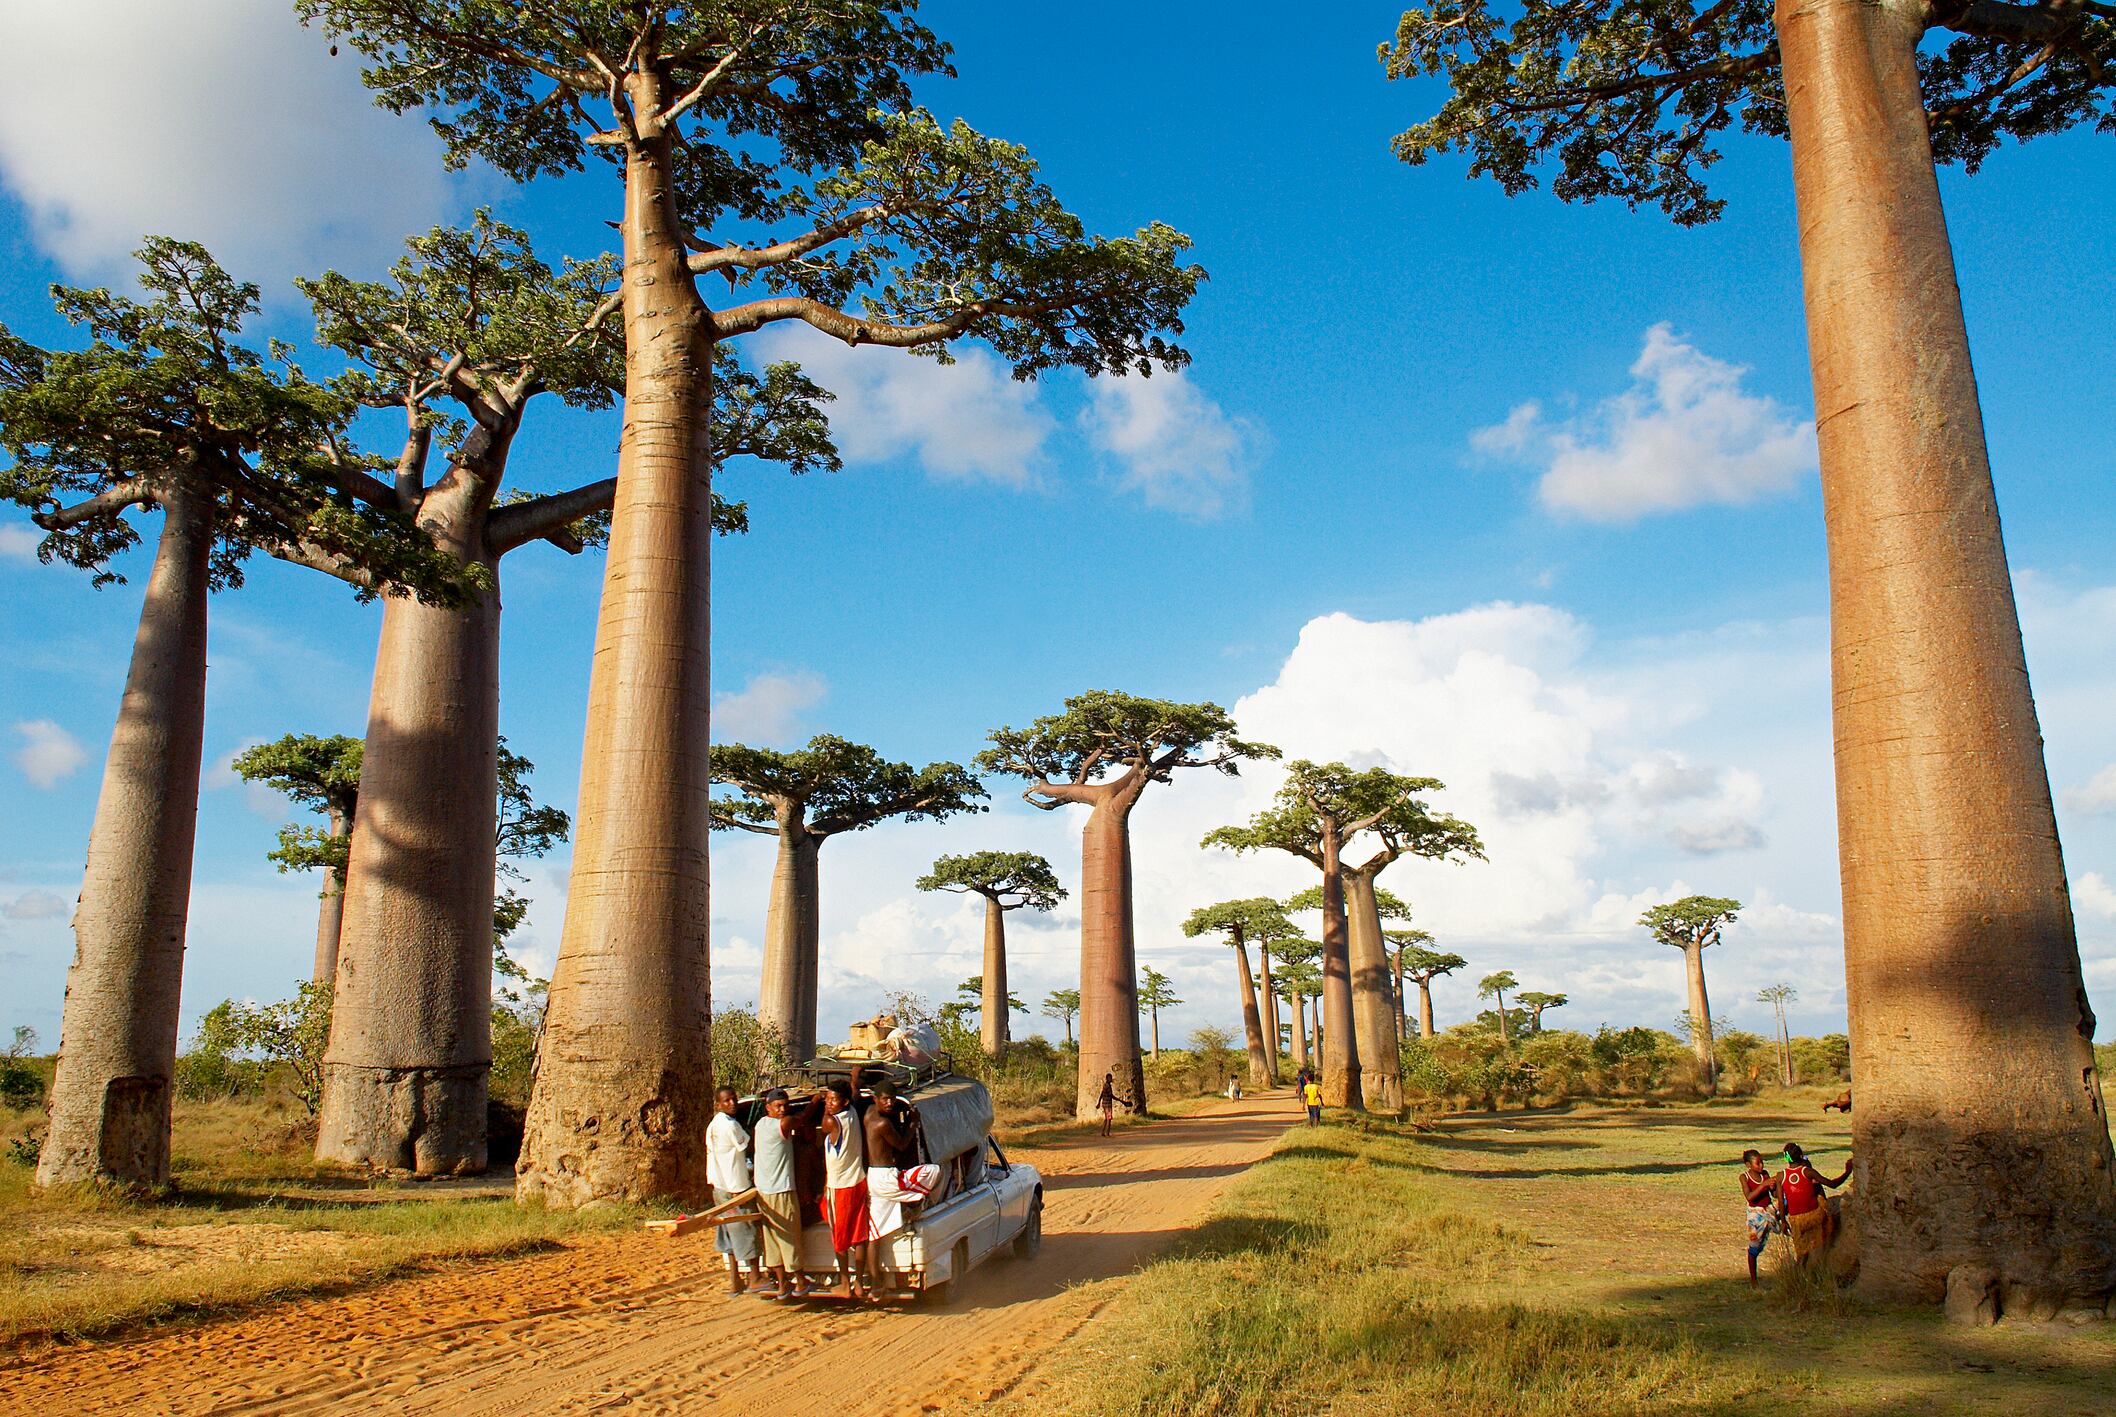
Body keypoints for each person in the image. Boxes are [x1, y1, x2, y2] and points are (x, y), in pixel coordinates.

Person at [863, 1077, 943, 1292]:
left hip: (874, 1177)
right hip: (888, 1178)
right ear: (876, 1099)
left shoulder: (869, 1113)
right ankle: (914, 1207)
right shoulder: (883, 1124)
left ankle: (875, 1283)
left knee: (874, 1235)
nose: (889, 1103)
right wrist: (913, 1123)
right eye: (885, 1100)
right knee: (934, 1171)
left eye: (892, 1099)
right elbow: (901, 1144)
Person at [751, 1087, 821, 1299]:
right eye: (778, 1106)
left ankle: (782, 1285)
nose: (782, 1109)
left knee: (772, 1238)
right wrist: (816, 1101)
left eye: (785, 1106)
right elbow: (803, 1118)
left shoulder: (760, 1125)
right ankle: (800, 1282)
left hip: (763, 1192)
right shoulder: (783, 1124)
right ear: (768, 1108)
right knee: (790, 1236)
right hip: (781, 1190)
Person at [705, 1087, 766, 1296]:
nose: (732, 1104)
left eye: (733, 1099)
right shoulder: (731, 1125)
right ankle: (755, 1278)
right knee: (747, 1230)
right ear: (718, 1104)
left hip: (719, 1186)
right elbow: (747, 1146)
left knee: (728, 1231)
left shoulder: (713, 1125)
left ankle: (735, 1280)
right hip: (735, 1187)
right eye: (727, 1101)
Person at [821, 1076, 875, 1301]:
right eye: (827, 1099)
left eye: (832, 1100)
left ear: (843, 1102)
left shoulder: (832, 1122)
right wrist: (855, 1078)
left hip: (840, 1186)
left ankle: (845, 1284)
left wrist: (819, 1104)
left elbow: (824, 1122)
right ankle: (859, 1283)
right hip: (858, 1181)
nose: (828, 1103)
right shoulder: (852, 1112)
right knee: (859, 1235)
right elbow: (854, 1094)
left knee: (840, 1238)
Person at [1777, 1141, 1852, 1266]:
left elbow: (1781, 1200)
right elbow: (1832, 1184)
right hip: (1815, 1216)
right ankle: (1821, 1263)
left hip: (1796, 1220)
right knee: (1824, 1234)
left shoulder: (1781, 1176)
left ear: (1786, 1158)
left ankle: (1800, 1271)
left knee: (1801, 1251)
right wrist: (1847, 1171)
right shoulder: (1807, 1172)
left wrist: (1783, 1222)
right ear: (1801, 1156)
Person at [1738, 1148, 1781, 1286]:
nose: (1761, 1165)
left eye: (1762, 1162)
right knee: (1754, 1247)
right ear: (1748, 1165)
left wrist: (1775, 1185)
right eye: (1758, 1163)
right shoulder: (1744, 1177)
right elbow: (1749, 1197)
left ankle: (1780, 1221)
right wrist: (1763, 1185)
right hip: (1755, 1214)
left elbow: (1774, 1195)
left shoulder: (1765, 1174)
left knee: (1786, 1201)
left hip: (1768, 1209)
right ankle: (1754, 1280)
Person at [1097, 1071, 1119, 1137]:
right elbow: (1111, 1095)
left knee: (1106, 1118)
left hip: (1104, 1104)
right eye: (1110, 1078)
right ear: (1107, 1078)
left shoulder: (1105, 1085)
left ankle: (1103, 1132)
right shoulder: (1107, 1086)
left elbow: (1102, 1094)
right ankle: (1107, 1133)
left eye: (1111, 1078)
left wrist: (1099, 1102)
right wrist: (1120, 1100)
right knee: (1109, 1118)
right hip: (1107, 1104)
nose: (1111, 1079)